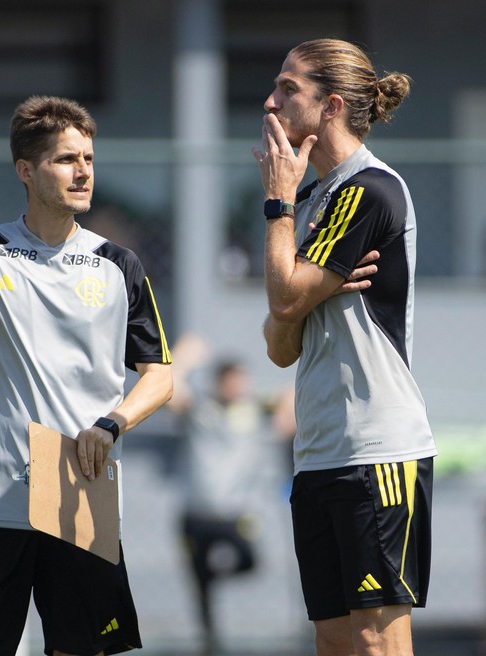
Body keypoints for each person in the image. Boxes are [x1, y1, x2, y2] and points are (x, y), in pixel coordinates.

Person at [0, 95, 174, 656]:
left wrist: (111, 425)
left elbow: (160, 376)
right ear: (26, 170)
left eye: (89, 159)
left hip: (80, 492)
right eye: (67, 159)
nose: (83, 171)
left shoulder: (119, 264)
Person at [252, 39, 437, 655]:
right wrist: (304, 293)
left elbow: (282, 304)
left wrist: (278, 208)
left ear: (330, 106)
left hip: (378, 451)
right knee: (332, 641)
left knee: (376, 641)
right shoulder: (315, 202)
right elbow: (280, 343)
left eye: (287, 89)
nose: (271, 101)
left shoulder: (369, 190)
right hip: (320, 452)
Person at [165, 333, 293, 655]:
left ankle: (213, 578)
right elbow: (168, 390)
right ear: (219, 383)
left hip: (236, 514)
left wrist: (283, 417)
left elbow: (293, 395)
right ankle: (210, 643)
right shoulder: (200, 409)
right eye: (233, 381)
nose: (239, 387)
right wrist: (182, 358)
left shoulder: (253, 410)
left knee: (250, 560)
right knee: (200, 587)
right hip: (196, 513)